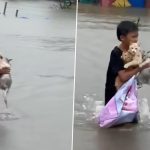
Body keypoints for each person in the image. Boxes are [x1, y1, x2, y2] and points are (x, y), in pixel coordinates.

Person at [105, 20, 150, 105]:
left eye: (137, 36)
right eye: (133, 37)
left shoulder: (135, 50)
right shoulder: (116, 53)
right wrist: (141, 67)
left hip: (129, 93)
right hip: (114, 96)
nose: (136, 40)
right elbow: (123, 77)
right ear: (122, 38)